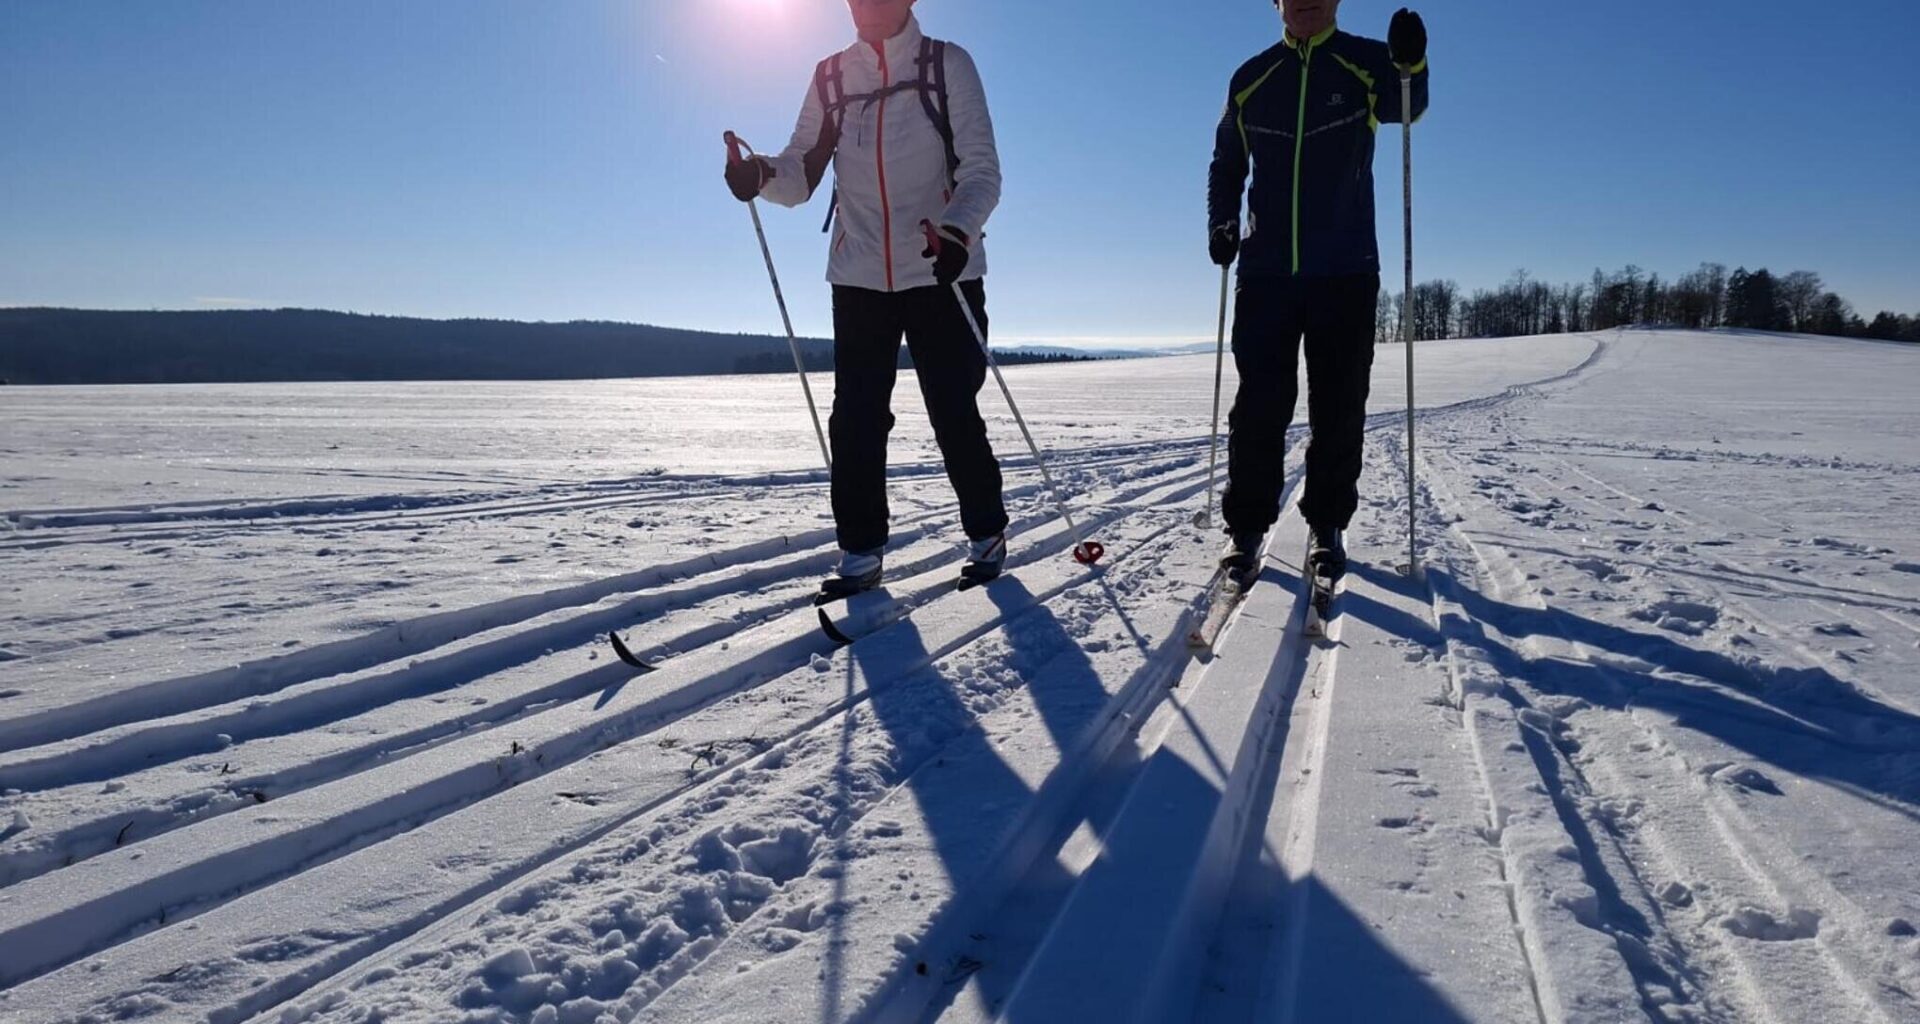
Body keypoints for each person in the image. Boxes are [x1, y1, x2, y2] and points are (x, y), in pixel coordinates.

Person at [724, 0, 1009, 593]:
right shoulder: (832, 76)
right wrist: (760, 175)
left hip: (940, 267)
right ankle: (860, 553)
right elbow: (801, 169)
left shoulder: (945, 64)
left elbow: (982, 168)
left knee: (953, 409)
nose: (866, 6)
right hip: (858, 275)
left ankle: (986, 535)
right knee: (855, 417)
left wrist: (958, 231)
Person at [1207, 0, 1428, 582]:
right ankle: (1247, 527)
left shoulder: (1363, 62)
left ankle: (1327, 525)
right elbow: (1227, 161)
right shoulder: (1252, 77)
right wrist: (1221, 221)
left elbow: (1411, 106)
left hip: (1346, 268)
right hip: (1267, 272)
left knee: (1339, 405)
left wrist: (1413, 63)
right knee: (1259, 406)